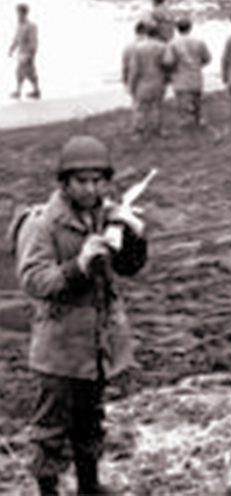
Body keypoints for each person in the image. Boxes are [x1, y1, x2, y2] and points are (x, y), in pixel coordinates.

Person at [12, 136, 148, 496]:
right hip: (59, 348)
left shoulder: (105, 214)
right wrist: (77, 266)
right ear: (65, 182)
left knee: (90, 421)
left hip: (97, 344)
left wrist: (133, 233)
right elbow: (33, 280)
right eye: (82, 181)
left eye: (98, 180)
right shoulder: (42, 223)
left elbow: (130, 267)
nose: (91, 188)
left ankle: (89, 487)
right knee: (51, 431)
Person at [163, 17, 211, 129]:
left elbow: (168, 61)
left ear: (177, 29)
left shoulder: (172, 43)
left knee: (182, 99)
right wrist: (199, 65)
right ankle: (199, 118)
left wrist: (171, 71)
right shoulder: (199, 42)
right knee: (197, 97)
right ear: (190, 27)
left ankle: (184, 120)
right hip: (195, 73)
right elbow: (207, 58)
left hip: (180, 74)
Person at [126, 23, 168, 139]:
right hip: (159, 79)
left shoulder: (138, 48)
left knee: (140, 107)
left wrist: (131, 84)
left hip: (143, 81)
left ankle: (139, 132)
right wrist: (167, 79)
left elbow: (134, 69)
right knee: (157, 106)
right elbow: (167, 63)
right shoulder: (163, 47)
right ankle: (157, 130)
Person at [10, 3, 41, 100]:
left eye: (19, 13)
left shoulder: (31, 26)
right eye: (17, 13)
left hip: (27, 52)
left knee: (26, 72)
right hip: (21, 52)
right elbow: (16, 38)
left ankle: (25, 91)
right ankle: (33, 91)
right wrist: (12, 48)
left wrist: (31, 54)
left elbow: (34, 41)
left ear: (24, 13)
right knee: (24, 72)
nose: (17, 15)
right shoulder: (19, 25)